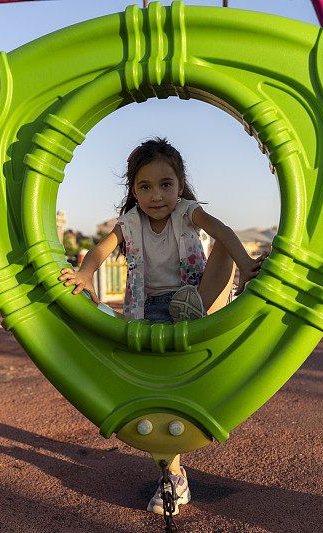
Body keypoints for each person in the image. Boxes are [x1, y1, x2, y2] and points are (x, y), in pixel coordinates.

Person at [58, 137, 266, 515]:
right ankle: (172, 473)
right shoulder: (131, 222)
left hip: (193, 294)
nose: (156, 196)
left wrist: (247, 263)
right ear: (133, 190)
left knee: (209, 273)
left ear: (180, 185)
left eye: (165, 185)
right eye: (145, 187)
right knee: (161, 382)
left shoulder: (188, 212)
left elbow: (221, 230)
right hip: (151, 309)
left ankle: (212, 303)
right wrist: (86, 275)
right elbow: (100, 250)